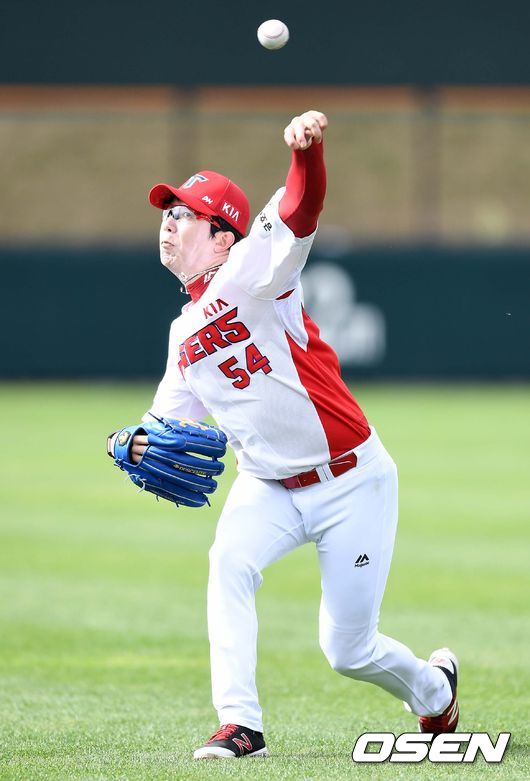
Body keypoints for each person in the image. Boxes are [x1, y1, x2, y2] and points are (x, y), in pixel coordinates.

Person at [131, 110, 459, 759]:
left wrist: (306, 154)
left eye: (185, 213)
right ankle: (240, 723)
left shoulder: (254, 270)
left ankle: (433, 690)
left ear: (222, 236)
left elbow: (301, 210)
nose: (168, 220)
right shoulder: (181, 334)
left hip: (351, 478)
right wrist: (131, 443)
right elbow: (166, 427)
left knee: (348, 649)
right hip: (267, 485)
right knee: (228, 562)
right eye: (167, 211)